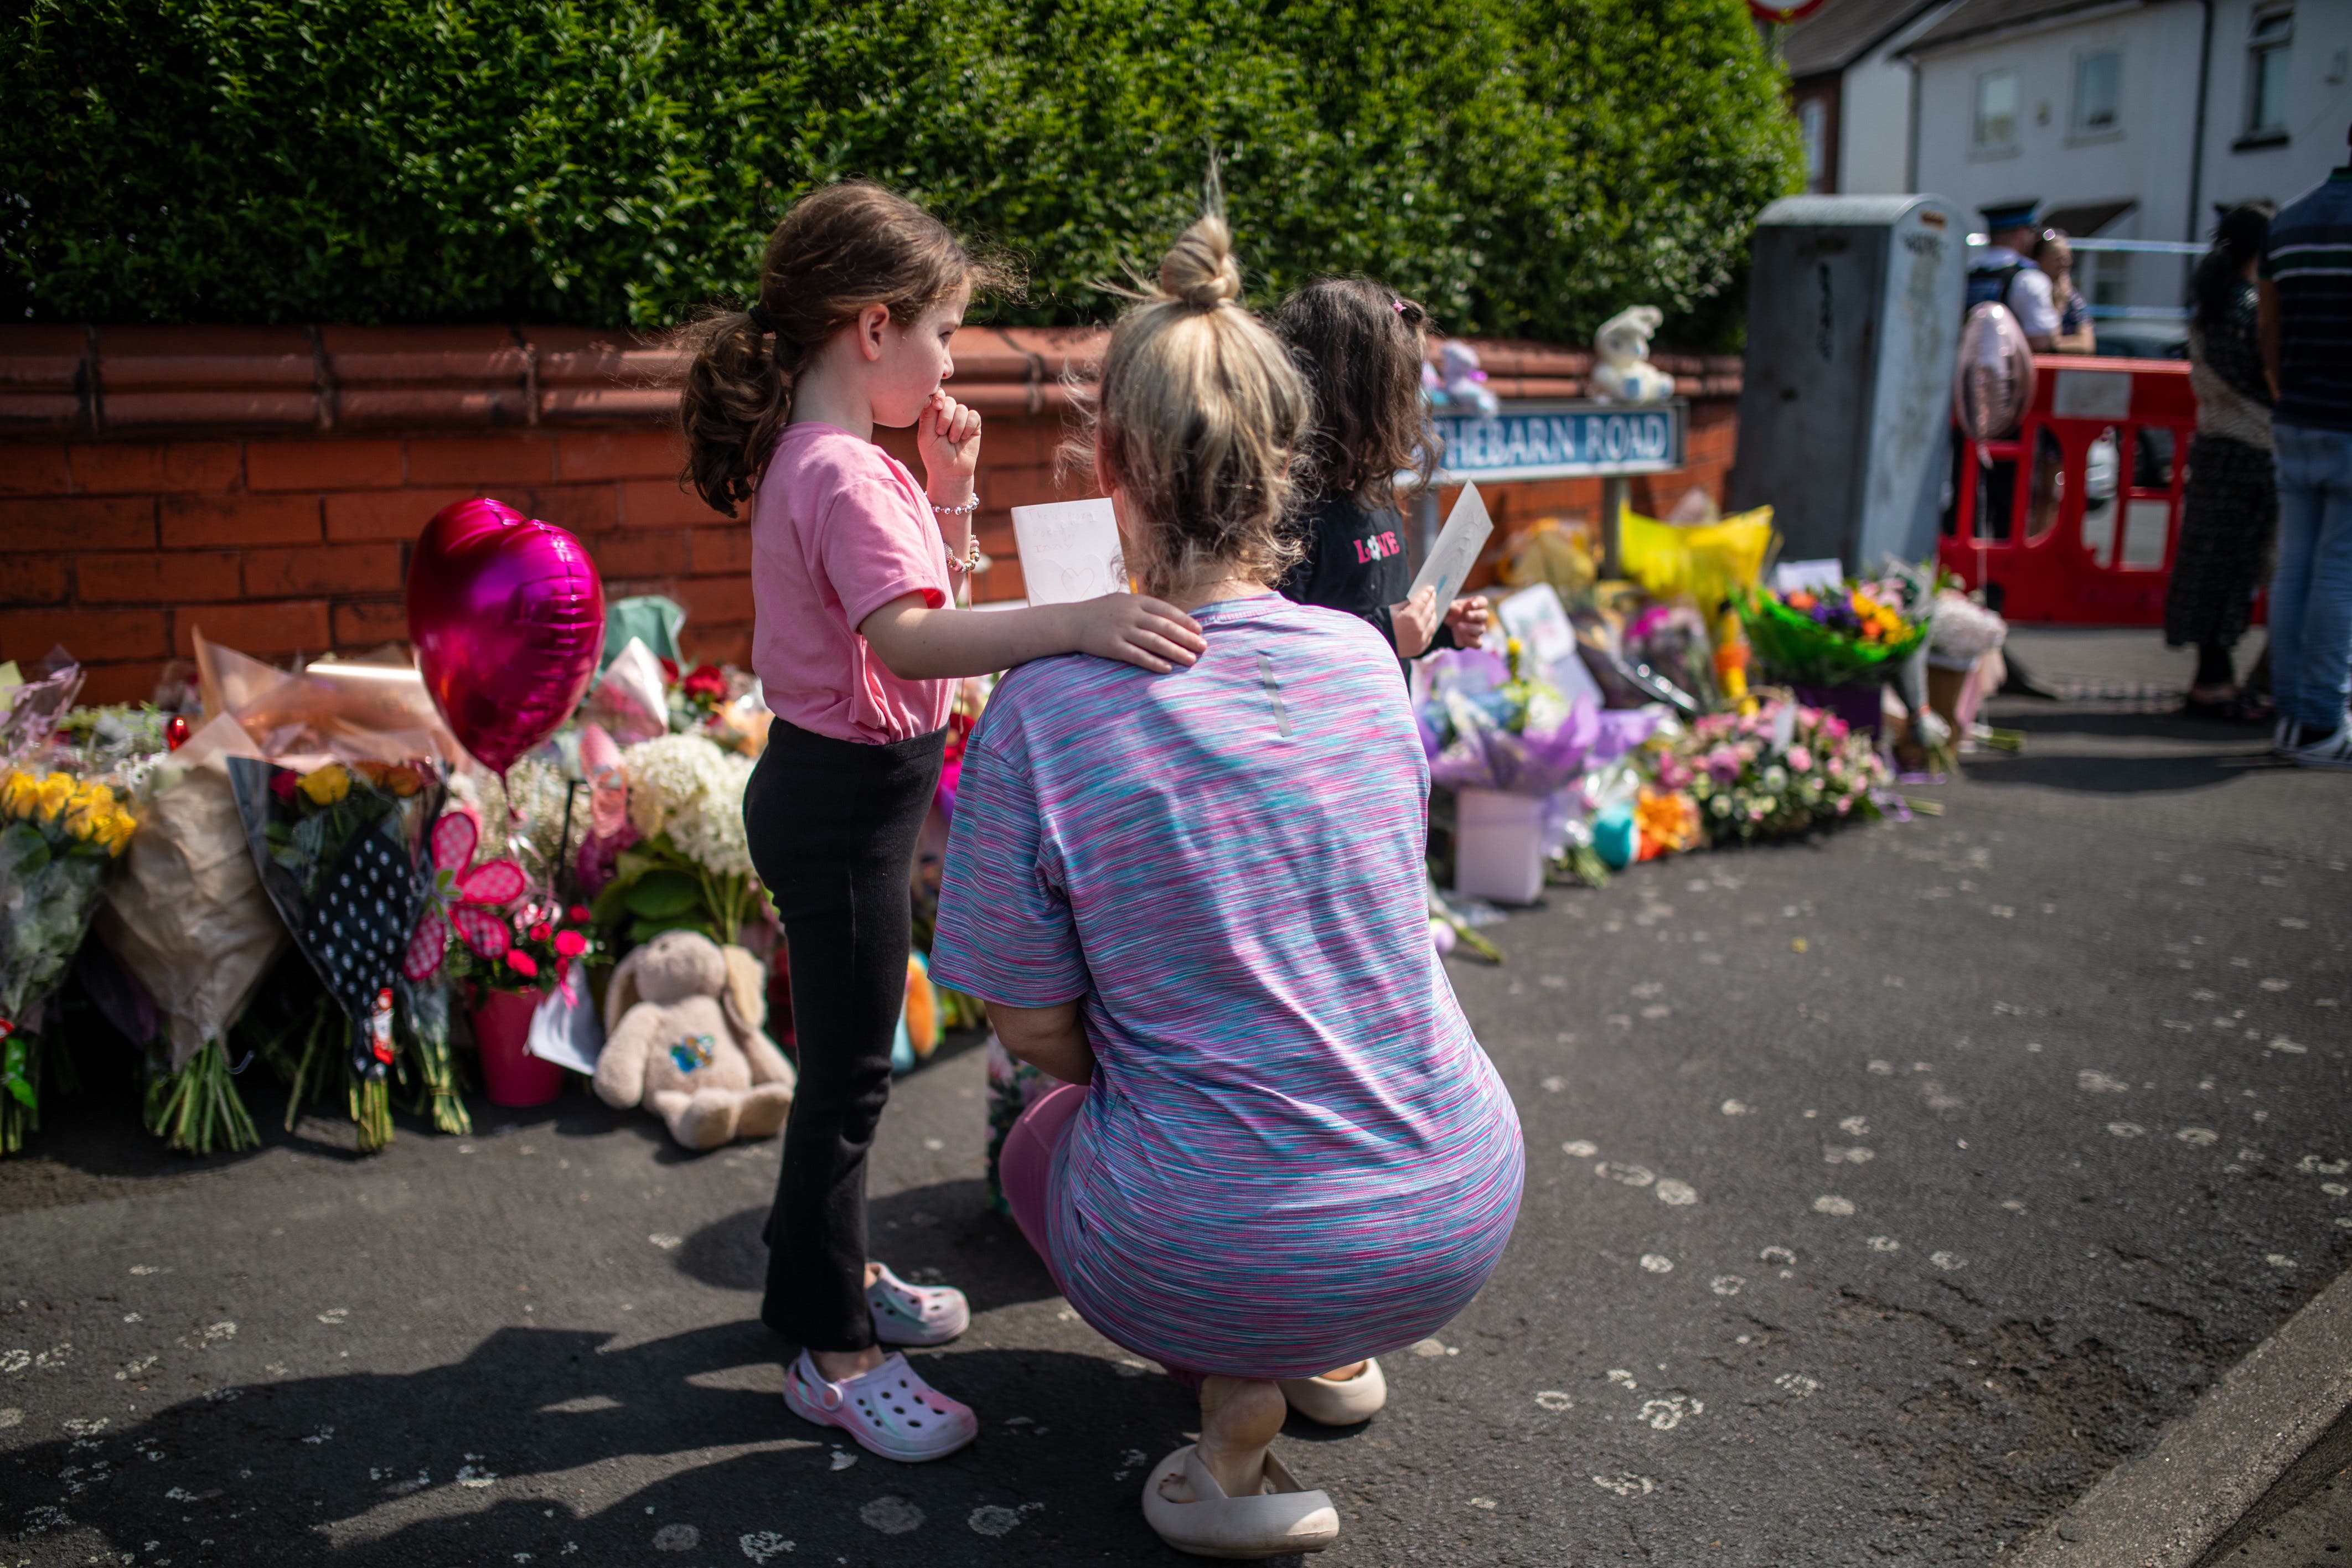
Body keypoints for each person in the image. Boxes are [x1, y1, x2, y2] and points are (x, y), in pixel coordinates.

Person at [928, 198, 1524, 1559]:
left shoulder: (1048, 707)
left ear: (1112, 467)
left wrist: (1154, 1066)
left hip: (1215, 1233)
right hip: (1454, 1198)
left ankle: (1235, 1409)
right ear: (1285, 463)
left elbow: (1030, 1027)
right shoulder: (1372, 664)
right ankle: (1327, 1347)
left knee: (1038, 1135)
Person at [676, 180, 1212, 1462]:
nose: (949, 359)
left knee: (853, 1070)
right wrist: (1077, 620)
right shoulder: (844, 475)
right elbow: (913, 635)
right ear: (874, 329)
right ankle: (829, 1345)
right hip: (843, 800)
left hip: (844, 791)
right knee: (852, 1077)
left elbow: (927, 601)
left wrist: (951, 488)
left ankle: (833, 1266)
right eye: (944, 334)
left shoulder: (842, 461)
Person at [1269, 279, 1491, 665]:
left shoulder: (1369, 491)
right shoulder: (1290, 513)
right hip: (1334, 723)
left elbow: (1376, 607)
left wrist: (1437, 627)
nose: (1412, 406)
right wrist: (1389, 633)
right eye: (1403, 389)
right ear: (1356, 397)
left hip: (1383, 721)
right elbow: (1279, 649)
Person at [2259, 126, 2352, 767]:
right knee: (2339, 572)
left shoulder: (2289, 221)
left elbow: (2268, 328)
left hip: (2295, 411)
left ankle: (2293, 711)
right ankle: (2321, 721)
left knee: (2296, 567)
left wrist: (2283, 385)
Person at [2167, 205, 2277, 721]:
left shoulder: (2209, 305)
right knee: (2238, 568)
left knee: (2209, 564)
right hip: (2254, 451)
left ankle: (2212, 676)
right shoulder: (2252, 309)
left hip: (2213, 446)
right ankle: (2218, 684)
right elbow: (2271, 378)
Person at [2035, 229, 2097, 354]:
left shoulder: (2071, 297)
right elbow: (2039, 344)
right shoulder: (2028, 292)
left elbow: (2087, 345)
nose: (2065, 264)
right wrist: (2059, 306)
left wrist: (2053, 344)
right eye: (2058, 259)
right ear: (2039, 260)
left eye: (2067, 258)